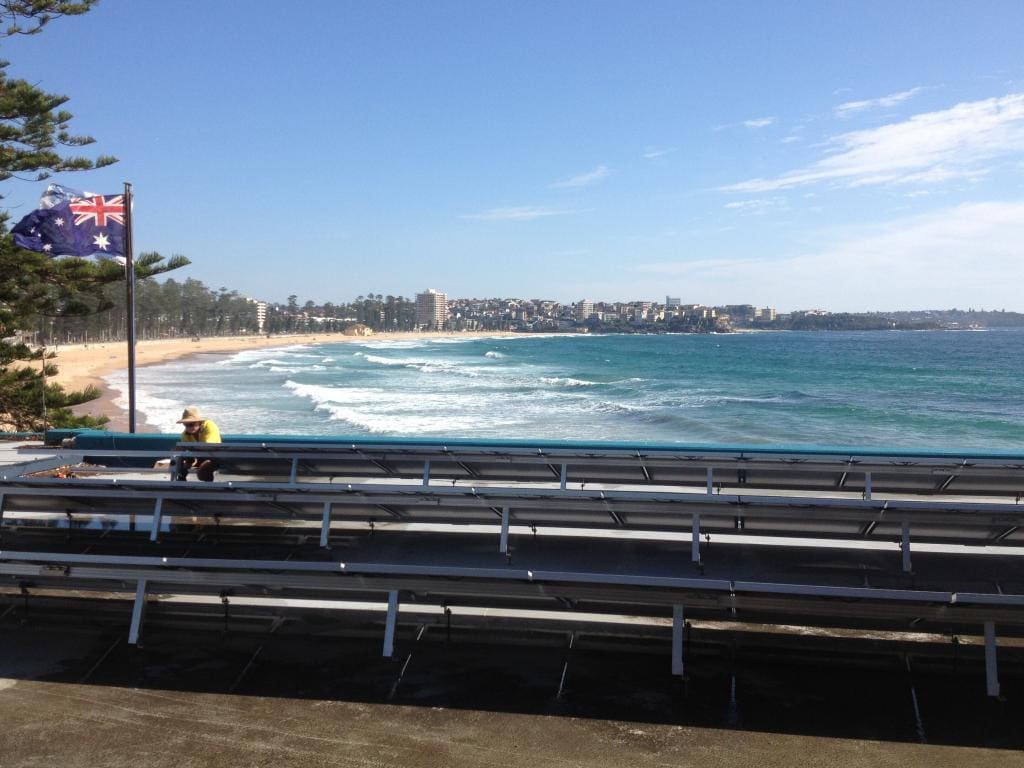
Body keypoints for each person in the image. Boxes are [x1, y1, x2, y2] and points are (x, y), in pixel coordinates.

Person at [174, 406, 221, 481]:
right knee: (177, 455)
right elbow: (183, 449)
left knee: (203, 472)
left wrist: (190, 451)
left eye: (191, 424)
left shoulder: (209, 426)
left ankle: (209, 488)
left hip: (214, 457)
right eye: (186, 425)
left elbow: (208, 446)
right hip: (198, 457)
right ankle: (181, 481)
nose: (189, 427)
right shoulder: (185, 434)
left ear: (199, 422)